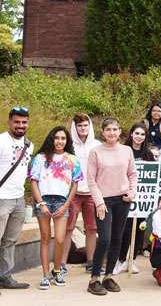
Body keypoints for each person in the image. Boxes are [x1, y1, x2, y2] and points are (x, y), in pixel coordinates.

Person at [86, 118, 138, 296]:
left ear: (120, 131)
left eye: (115, 129)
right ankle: (94, 279)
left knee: (117, 238)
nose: (112, 133)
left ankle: (108, 276)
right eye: (108, 130)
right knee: (104, 239)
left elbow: (132, 174)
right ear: (102, 132)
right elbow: (91, 180)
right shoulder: (95, 152)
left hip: (123, 200)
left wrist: (131, 192)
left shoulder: (126, 150)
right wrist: (99, 202)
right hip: (104, 201)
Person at [27, 126, 81, 290]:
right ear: (52, 139)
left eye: (63, 138)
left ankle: (57, 271)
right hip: (43, 200)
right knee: (45, 238)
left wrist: (65, 206)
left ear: (67, 141)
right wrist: (40, 203)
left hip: (61, 202)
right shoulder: (40, 158)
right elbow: (33, 182)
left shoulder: (72, 159)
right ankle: (45, 275)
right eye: (57, 138)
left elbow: (75, 185)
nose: (60, 141)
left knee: (59, 239)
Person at [60, 112, 102, 274]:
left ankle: (91, 262)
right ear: (74, 127)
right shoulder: (68, 145)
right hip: (73, 193)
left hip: (92, 192)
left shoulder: (97, 145)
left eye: (86, 125)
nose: (83, 128)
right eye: (79, 126)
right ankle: (61, 264)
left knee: (91, 228)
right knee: (68, 228)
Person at [115, 122, 155, 275]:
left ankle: (132, 260)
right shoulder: (123, 151)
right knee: (124, 230)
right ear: (131, 134)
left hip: (142, 199)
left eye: (142, 134)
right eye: (137, 133)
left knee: (139, 230)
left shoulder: (148, 155)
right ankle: (121, 260)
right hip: (124, 196)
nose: (139, 137)